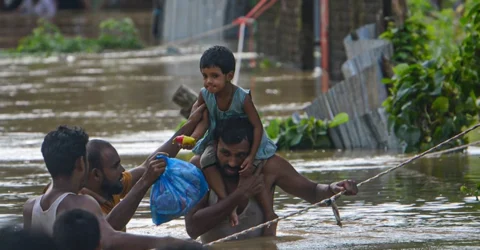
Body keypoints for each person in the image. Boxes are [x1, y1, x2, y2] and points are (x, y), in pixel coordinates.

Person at [23, 111, 206, 249]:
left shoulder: (31, 207)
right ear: (81, 163)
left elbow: (148, 164)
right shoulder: (81, 203)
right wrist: (169, 242)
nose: (122, 170)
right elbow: (109, 238)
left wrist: (189, 125)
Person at [184, 117, 359, 243]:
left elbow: (312, 192)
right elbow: (192, 229)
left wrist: (333, 188)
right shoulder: (200, 168)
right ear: (215, 146)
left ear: (253, 151)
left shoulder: (270, 166)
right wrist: (240, 195)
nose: (232, 162)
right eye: (225, 153)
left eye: (241, 155)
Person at [175, 45, 278, 235]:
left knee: (254, 169)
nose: (208, 82)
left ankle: (269, 213)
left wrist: (252, 155)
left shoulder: (242, 97)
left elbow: (257, 126)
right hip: (218, 140)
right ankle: (227, 203)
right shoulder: (205, 94)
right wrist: (193, 138)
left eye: (214, 76)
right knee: (205, 160)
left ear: (229, 76)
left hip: (245, 143)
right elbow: (200, 120)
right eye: (205, 76)